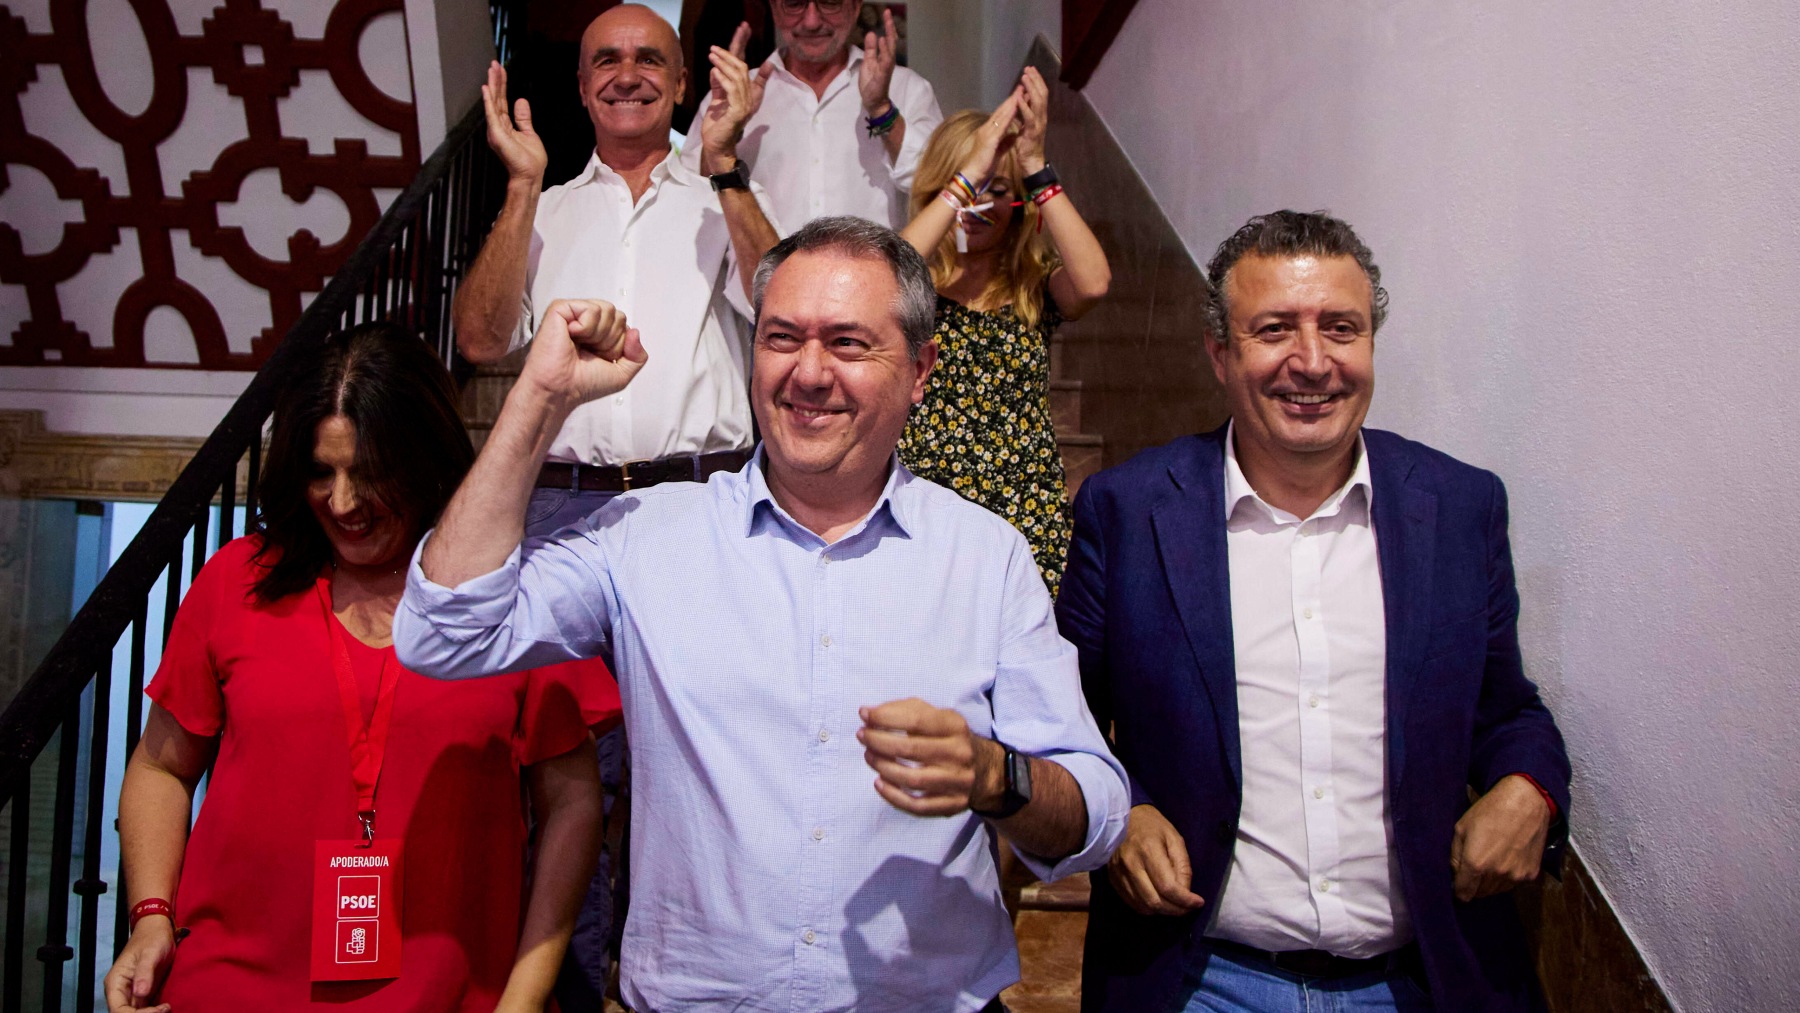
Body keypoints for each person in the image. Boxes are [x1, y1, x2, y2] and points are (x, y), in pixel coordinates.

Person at [394, 216, 1129, 1013]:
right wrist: (541, 400)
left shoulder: (986, 558)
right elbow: (443, 631)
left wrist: (997, 774)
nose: (808, 373)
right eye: (782, 337)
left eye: (848, 343)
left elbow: (1095, 809)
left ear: (921, 370)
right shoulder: (645, 533)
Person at [1057, 211, 1571, 1012]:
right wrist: (1123, 812)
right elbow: (1063, 720)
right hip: (1202, 981)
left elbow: (1507, 710)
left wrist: (1529, 784)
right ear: (1220, 353)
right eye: (1274, 330)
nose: (1312, 361)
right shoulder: (1128, 509)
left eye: (1342, 327)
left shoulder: (1461, 506)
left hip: (1419, 980)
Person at [101, 323, 612, 1013]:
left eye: (370, 471)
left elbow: (574, 801)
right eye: (322, 471)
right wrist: (151, 914)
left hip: (452, 995)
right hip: (227, 990)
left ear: (424, 458)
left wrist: (524, 994)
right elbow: (161, 766)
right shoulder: (236, 582)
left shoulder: (507, 597)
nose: (343, 502)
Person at [451, 6, 780, 996]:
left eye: (650, 59)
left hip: (697, 508)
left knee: (694, 770)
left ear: (684, 86)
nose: (627, 74)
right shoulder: (547, 211)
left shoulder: (724, 192)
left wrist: (727, 170)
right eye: (606, 59)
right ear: (583, 82)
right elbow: (478, 338)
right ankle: (569, 985)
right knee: (563, 775)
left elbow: (785, 303)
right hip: (562, 516)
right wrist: (517, 185)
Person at [897, 68, 1111, 594]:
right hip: (924, 508)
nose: (977, 204)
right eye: (967, 185)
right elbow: (882, 274)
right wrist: (967, 174)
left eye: (995, 190)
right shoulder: (912, 281)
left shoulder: (1034, 286)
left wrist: (1035, 167)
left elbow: (1095, 283)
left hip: (1023, 512)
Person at [682, 1, 942, 230]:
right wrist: (728, 133)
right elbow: (689, 199)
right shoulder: (733, 94)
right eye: (795, 4)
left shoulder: (906, 88)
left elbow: (936, 189)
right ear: (774, 8)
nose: (811, 21)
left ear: (855, 7)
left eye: (829, 3)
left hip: (872, 283)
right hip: (761, 283)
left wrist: (883, 111)